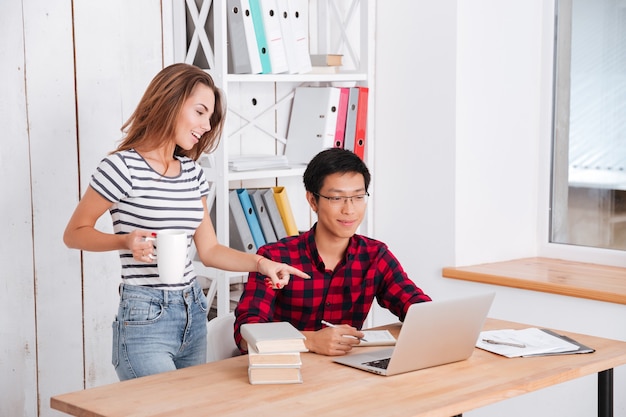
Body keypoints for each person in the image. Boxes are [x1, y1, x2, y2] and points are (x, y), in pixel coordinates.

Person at [63, 63, 309, 380]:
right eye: (200, 112)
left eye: (210, 118)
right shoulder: (121, 167)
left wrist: (262, 264)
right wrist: (124, 242)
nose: (206, 126)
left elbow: (209, 250)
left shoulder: (192, 173)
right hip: (145, 316)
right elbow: (74, 233)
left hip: (193, 311)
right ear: (172, 101)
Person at [234, 148, 431, 356]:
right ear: (312, 201)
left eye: (357, 197)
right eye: (337, 198)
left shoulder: (375, 256)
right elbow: (246, 334)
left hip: (343, 374)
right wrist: (310, 341)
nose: (349, 210)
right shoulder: (275, 258)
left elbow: (417, 307)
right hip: (283, 371)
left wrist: (437, 321)